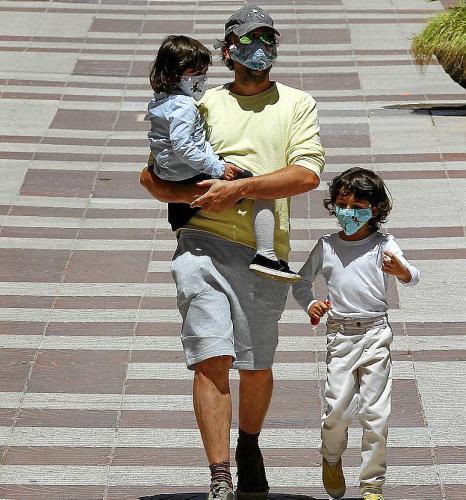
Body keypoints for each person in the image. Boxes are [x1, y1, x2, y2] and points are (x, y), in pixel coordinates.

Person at [140, 5, 325, 499]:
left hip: (264, 254)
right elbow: (151, 177)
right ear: (227, 51)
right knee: (211, 355)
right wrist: (200, 196)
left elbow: (307, 174)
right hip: (200, 245)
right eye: (248, 40)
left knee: (256, 365)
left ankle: (249, 445)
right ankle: (219, 474)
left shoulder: (297, 104)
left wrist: (240, 189)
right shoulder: (201, 102)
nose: (259, 49)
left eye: (268, 39)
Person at [292, 167, 420, 500]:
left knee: (376, 414)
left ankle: (372, 484)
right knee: (336, 410)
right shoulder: (327, 246)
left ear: (374, 209)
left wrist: (401, 271)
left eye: (357, 207)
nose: (348, 213)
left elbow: (412, 274)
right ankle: (331, 457)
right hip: (341, 336)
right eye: (341, 205)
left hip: (376, 333)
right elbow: (301, 282)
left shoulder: (383, 244)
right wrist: (311, 304)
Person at [146, 34, 299, 282]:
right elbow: (183, 146)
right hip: (185, 171)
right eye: (195, 74)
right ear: (176, 75)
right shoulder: (186, 106)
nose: (201, 80)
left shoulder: (162, 101)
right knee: (261, 187)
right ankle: (266, 254)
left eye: (204, 73)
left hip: (168, 171)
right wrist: (217, 168)